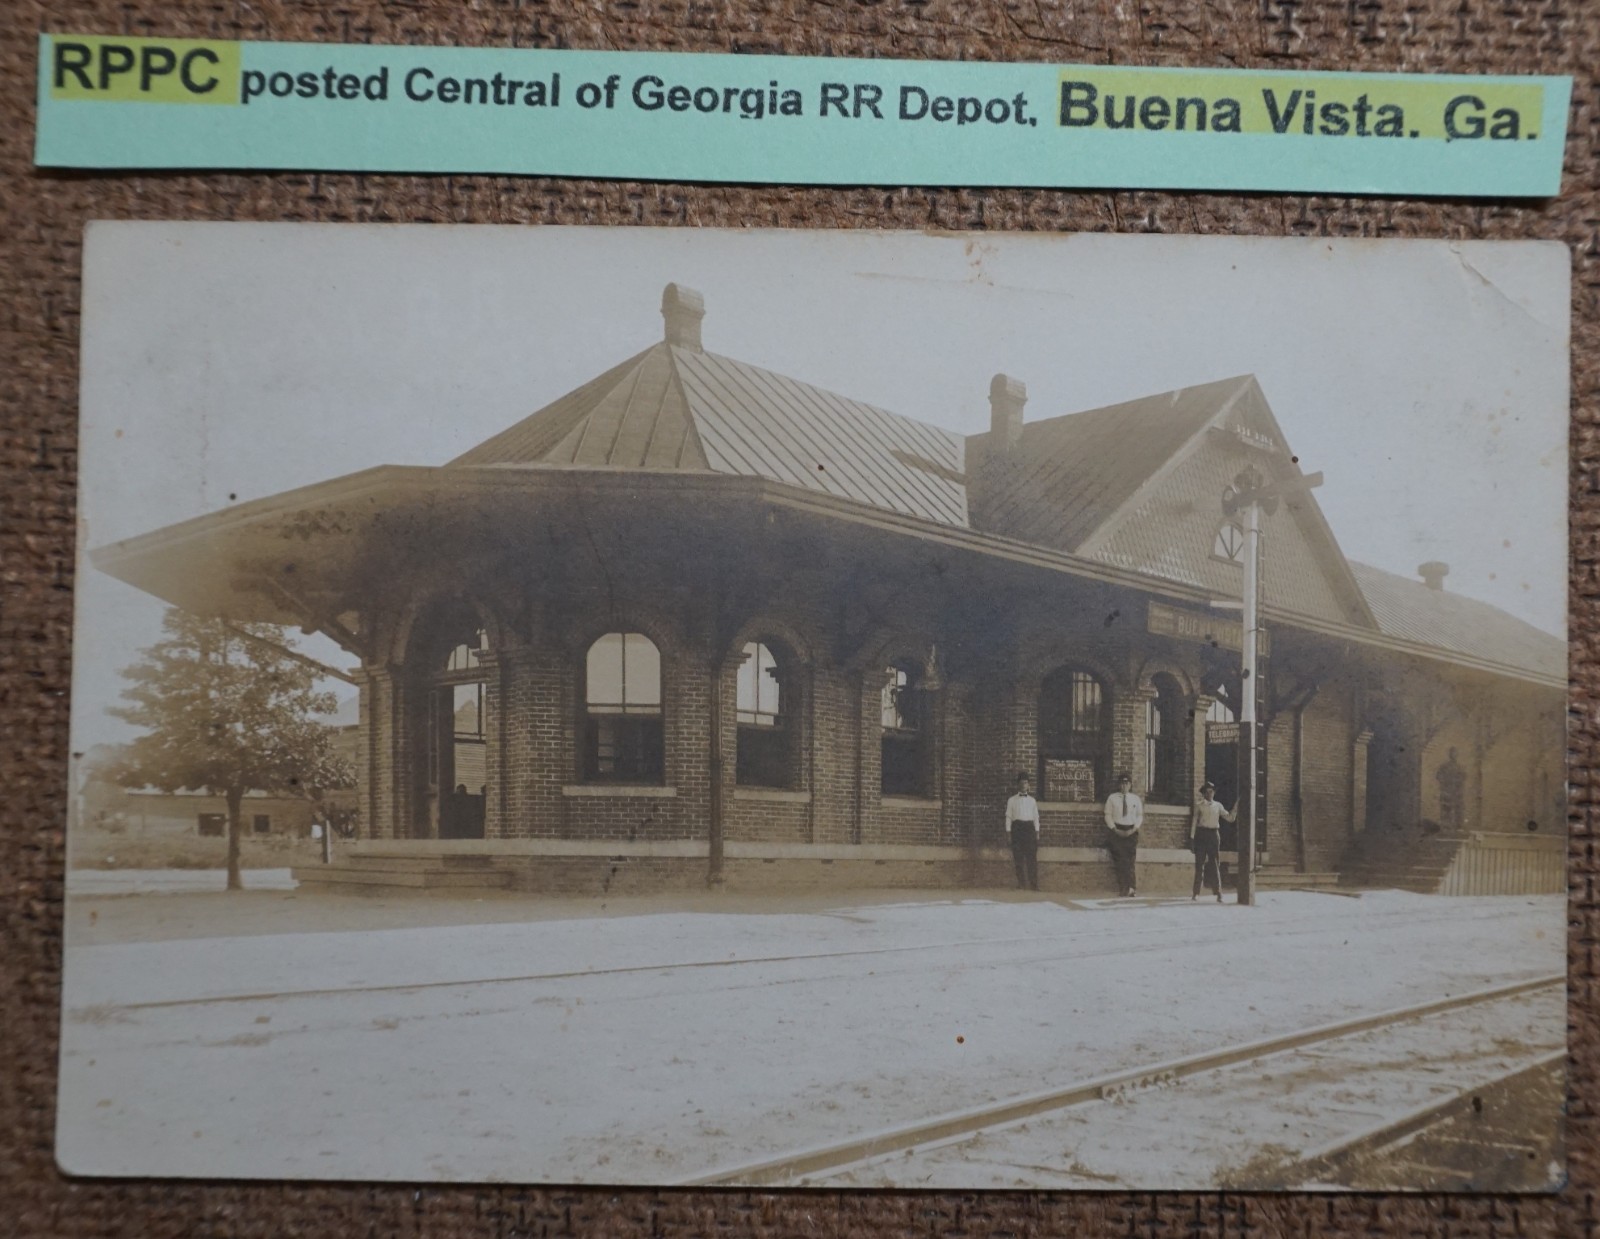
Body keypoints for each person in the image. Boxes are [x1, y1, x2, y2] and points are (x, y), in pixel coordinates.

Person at [1189, 782, 1235, 902]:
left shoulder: (1218, 805)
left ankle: (1219, 893)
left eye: (1212, 791)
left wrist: (1235, 810)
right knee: (1199, 864)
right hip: (1201, 834)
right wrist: (1192, 838)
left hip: (1214, 835)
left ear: (1214, 793)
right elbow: (1194, 822)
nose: (1210, 794)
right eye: (1207, 792)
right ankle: (1196, 893)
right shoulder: (1199, 805)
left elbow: (1229, 818)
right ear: (1204, 793)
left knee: (1215, 864)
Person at [1103, 772, 1143, 897]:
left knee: (1130, 861)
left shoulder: (1135, 799)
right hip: (1117, 831)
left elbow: (1139, 815)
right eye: (1122, 783)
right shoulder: (1112, 798)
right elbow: (1107, 815)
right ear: (1119, 785)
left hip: (1131, 831)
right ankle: (1123, 888)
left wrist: (1134, 829)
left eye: (1127, 783)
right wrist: (1114, 829)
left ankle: (1132, 888)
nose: (1124, 786)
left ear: (1130, 785)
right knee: (1120, 861)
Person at [1005, 772, 1041, 891]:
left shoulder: (1032, 801)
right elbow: (1008, 817)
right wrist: (1009, 833)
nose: (1023, 785)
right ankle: (1021, 883)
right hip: (1017, 828)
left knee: (1031, 858)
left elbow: (1036, 817)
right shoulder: (1011, 800)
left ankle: (1033, 884)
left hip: (1029, 828)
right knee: (1018, 858)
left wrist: (1037, 832)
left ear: (1028, 785)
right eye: (1021, 783)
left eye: (1025, 783)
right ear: (1018, 785)